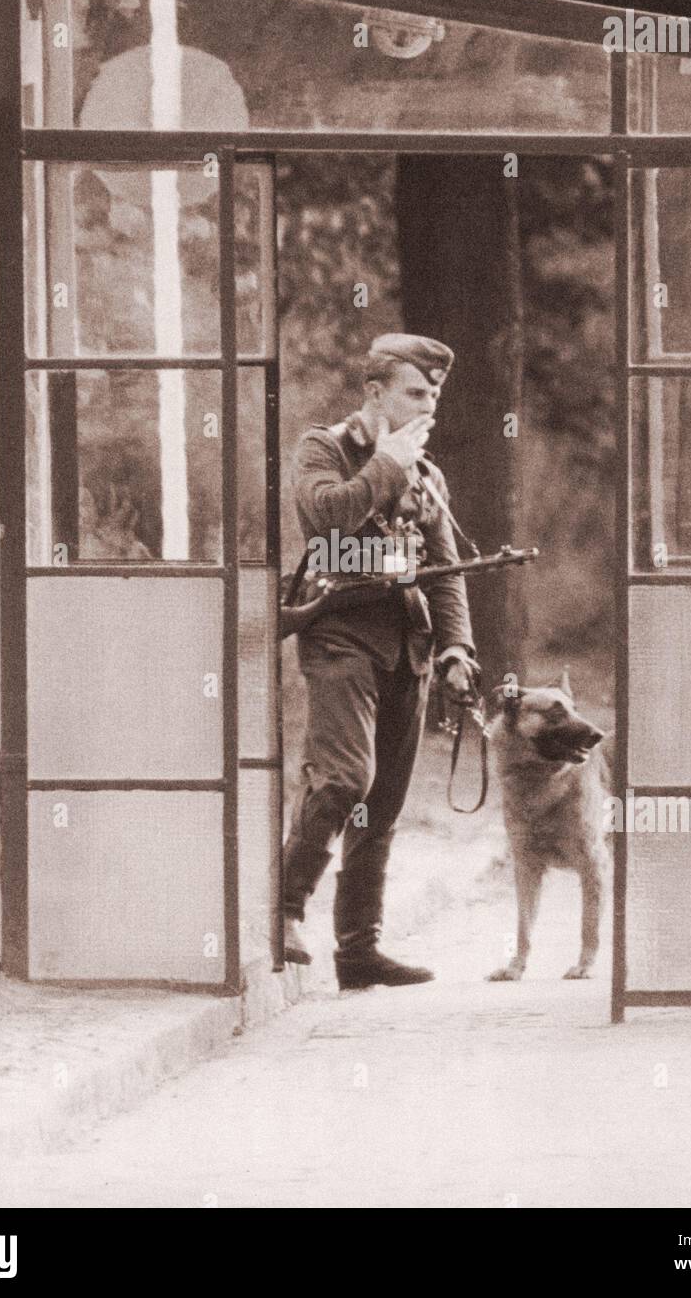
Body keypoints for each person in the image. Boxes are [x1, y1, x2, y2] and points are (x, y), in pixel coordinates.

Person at [282, 333, 479, 989]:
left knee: (382, 806)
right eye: (415, 394)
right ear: (374, 392)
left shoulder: (427, 475)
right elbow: (329, 529)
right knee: (343, 779)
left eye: (435, 396)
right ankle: (281, 910)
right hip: (339, 636)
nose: (428, 407)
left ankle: (358, 948)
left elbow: (445, 571)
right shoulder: (324, 449)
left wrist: (456, 647)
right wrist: (387, 466)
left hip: (407, 647)